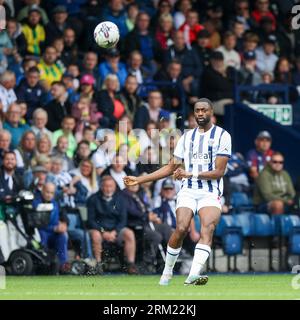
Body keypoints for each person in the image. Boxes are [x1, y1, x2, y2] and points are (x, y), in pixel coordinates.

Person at [124, 98, 232, 285]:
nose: (200, 114)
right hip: (188, 191)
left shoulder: (223, 136)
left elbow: (219, 171)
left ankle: (193, 274)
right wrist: (139, 179)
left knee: (208, 228)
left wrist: (189, 173)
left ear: (211, 112)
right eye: (197, 110)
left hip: (210, 191)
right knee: (181, 228)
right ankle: (167, 273)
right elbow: (169, 167)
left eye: (204, 110)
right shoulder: (187, 137)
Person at [87, 175, 137, 274]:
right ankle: (98, 264)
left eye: (110, 186)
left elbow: (123, 220)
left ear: (114, 187)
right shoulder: (93, 199)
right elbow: (91, 220)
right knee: (95, 235)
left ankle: (130, 264)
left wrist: (115, 232)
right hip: (99, 230)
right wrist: (103, 232)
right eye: (106, 186)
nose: (108, 189)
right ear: (101, 186)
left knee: (129, 233)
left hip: (116, 231)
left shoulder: (121, 199)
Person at [33, 182, 69, 271]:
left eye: (52, 193)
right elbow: (36, 224)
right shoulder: (35, 204)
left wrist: (64, 224)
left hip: (54, 232)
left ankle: (62, 265)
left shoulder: (56, 204)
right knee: (42, 236)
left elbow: (64, 217)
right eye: (47, 192)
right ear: (42, 191)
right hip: (41, 231)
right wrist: (54, 228)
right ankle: (44, 265)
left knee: (62, 237)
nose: (49, 195)